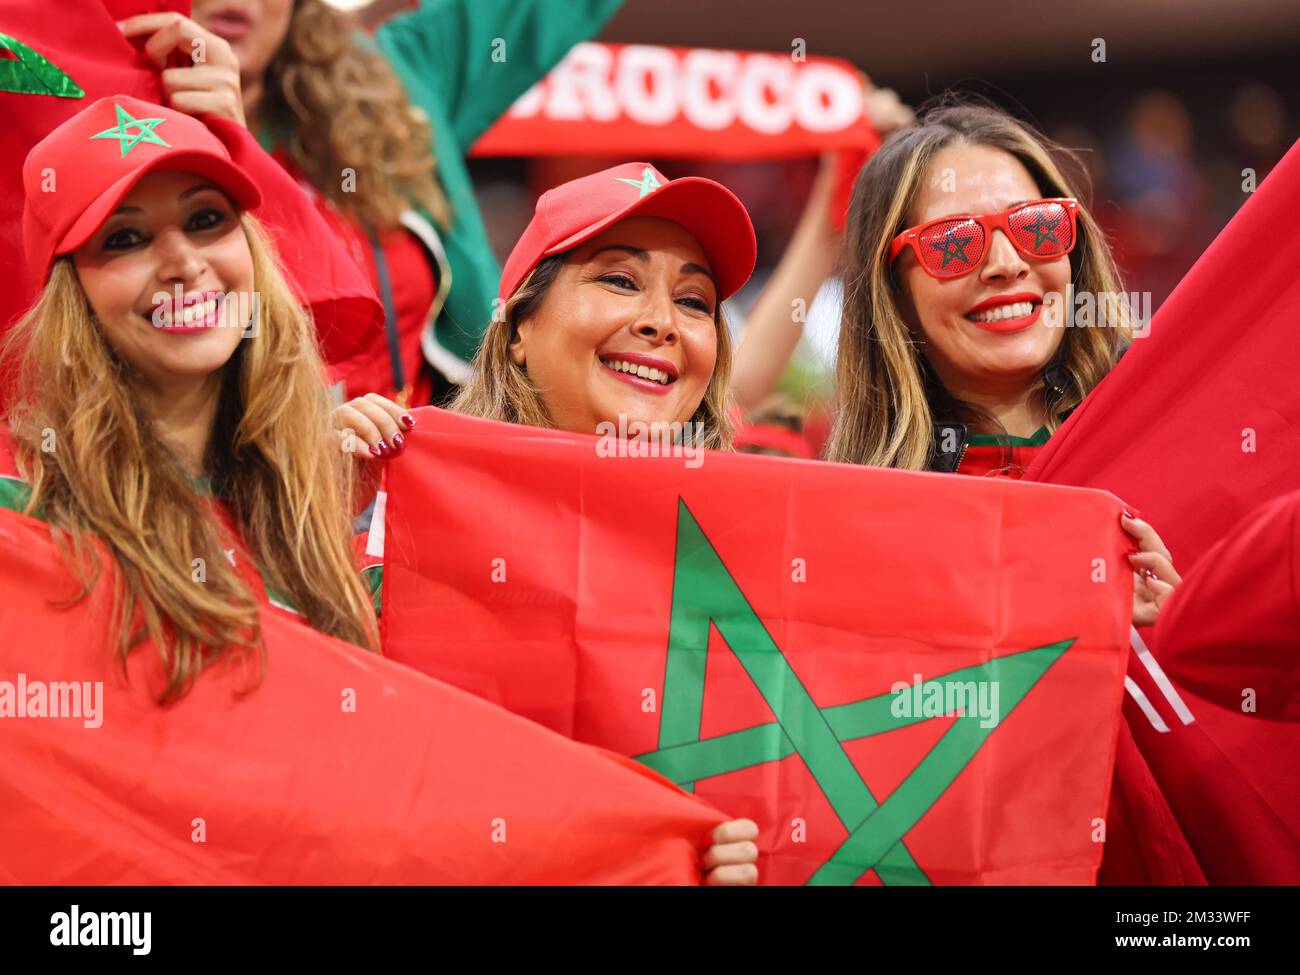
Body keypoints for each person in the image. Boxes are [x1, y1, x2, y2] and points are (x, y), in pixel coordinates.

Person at [2, 98, 754, 883]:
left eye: (207, 221)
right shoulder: (32, 514)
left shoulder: (310, 514)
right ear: (516, 330)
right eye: (124, 238)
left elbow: (419, 793)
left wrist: (664, 845)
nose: (183, 262)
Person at [118, 0, 626, 404]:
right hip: (254, 492)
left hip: (427, 481)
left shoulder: (393, 79)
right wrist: (234, 150)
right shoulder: (111, 131)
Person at [827, 100, 1181, 626]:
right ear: (894, 293)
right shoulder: (851, 523)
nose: (1007, 264)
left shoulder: (1177, 434)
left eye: (1035, 225)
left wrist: (1188, 628)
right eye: (952, 243)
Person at [450, 162, 755, 450]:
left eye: (692, 301)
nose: (663, 322)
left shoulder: (747, 504)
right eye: (621, 281)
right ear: (518, 327)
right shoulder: (412, 496)